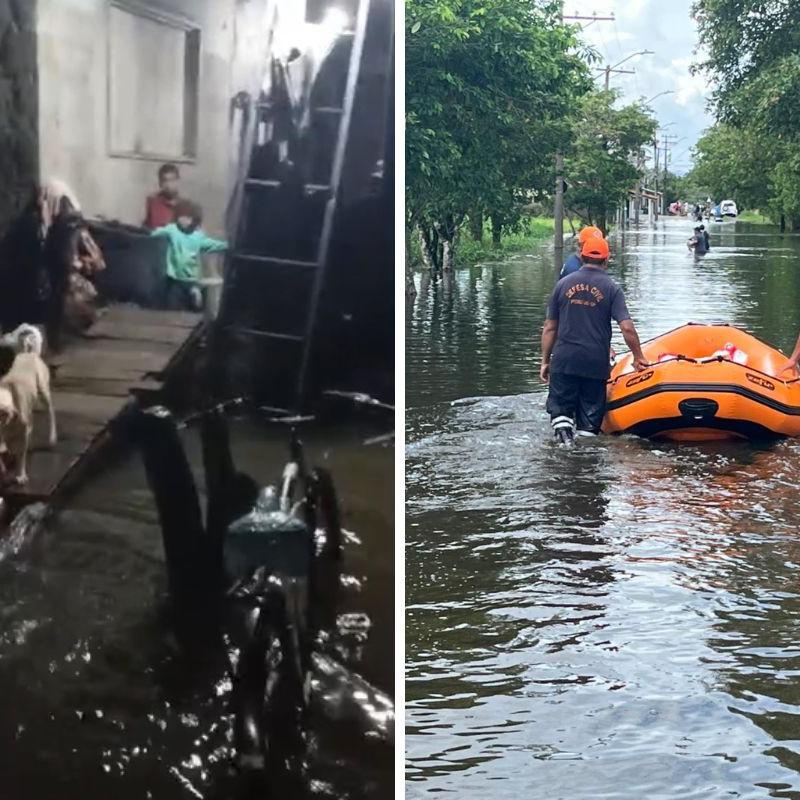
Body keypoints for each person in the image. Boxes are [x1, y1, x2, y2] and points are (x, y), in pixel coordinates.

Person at [540, 236, 647, 442]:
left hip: (564, 360)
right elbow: (627, 327)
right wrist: (638, 356)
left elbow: (550, 327)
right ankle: (584, 457)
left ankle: (565, 444)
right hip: (595, 363)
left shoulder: (562, 285)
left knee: (561, 412)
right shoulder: (612, 288)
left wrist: (545, 361)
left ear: (581, 256)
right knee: (589, 426)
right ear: (606, 261)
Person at [151, 200, 228, 311]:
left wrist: (227, 245)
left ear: (194, 220)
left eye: (188, 218)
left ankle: (196, 297)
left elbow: (211, 244)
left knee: (194, 303)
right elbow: (155, 233)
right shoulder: (172, 230)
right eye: (182, 216)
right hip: (174, 279)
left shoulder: (197, 237)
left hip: (191, 279)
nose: (184, 220)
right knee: (172, 304)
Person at [144, 163, 182, 229]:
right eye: (165, 181)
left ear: (178, 181)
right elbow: (146, 226)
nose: (168, 185)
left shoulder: (186, 207)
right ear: (160, 183)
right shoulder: (152, 202)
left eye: (172, 180)